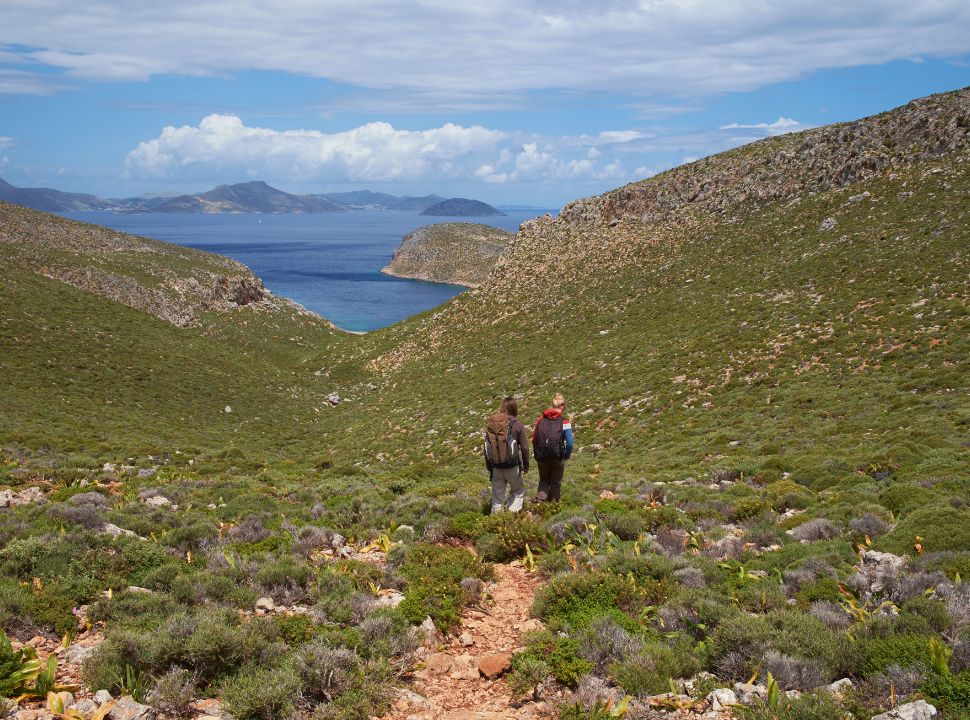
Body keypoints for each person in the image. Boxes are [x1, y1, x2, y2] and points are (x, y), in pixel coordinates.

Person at [484, 396, 530, 513]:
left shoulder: (492, 425)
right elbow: (525, 448)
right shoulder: (517, 424)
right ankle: (511, 517)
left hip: (496, 468)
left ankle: (495, 524)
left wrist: (490, 468)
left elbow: (486, 448)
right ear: (514, 408)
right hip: (512, 467)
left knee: (497, 499)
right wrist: (526, 466)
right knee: (518, 492)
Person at [532, 393, 573, 502]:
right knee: (555, 482)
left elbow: (534, 438)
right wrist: (566, 456)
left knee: (543, 480)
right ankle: (554, 506)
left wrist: (538, 453)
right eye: (564, 406)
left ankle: (540, 504)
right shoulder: (565, 422)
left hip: (541, 456)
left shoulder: (540, 420)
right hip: (557, 457)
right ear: (562, 406)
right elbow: (569, 443)